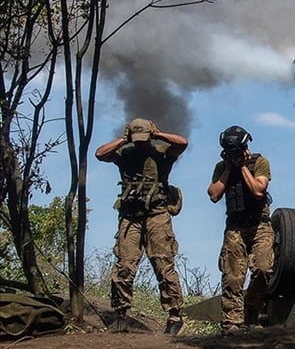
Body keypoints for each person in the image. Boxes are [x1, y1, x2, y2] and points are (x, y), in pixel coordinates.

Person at [95, 118, 188, 336]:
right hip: (130, 217)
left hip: (157, 214)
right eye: (136, 140)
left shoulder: (162, 153)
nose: (139, 143)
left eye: (143, 139)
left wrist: (159, 134)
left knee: (163, 265)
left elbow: (182, 143)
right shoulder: (124, 154)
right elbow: (100, 154)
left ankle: (175, 316)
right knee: (124, 266)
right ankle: (121, 315)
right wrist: (122, 139)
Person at [207, 125, 273, 336]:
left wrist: (243, 167)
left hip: (260, 226)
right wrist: (228, 168)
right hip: (235, 227)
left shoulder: (259, 163)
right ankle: (231, 324)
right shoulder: (221, 167)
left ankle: (251, 310)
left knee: (263, 268)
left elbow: (257, 190)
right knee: (233, 277)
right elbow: (214, 194)